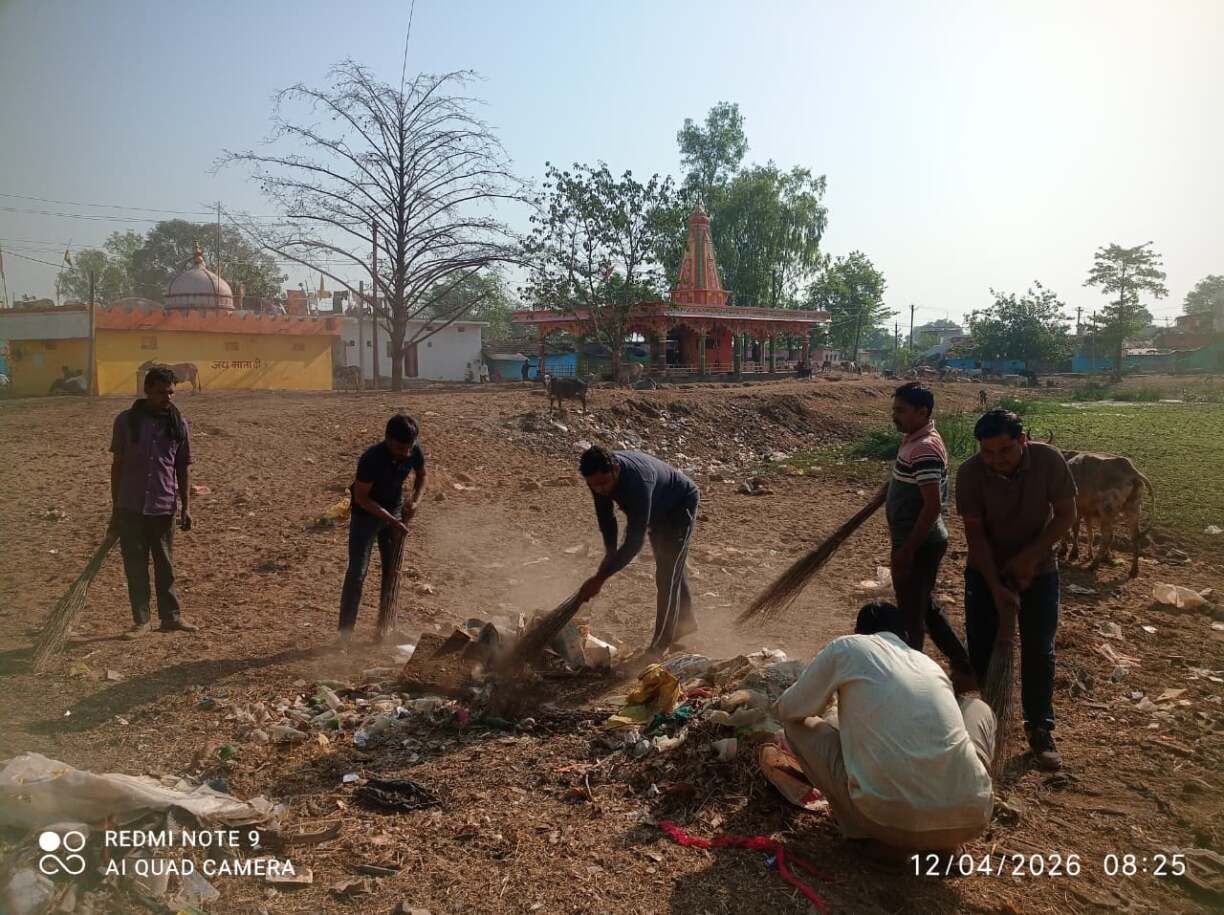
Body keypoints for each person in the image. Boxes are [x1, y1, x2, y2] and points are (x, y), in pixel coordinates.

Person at [775, 601, 995, 853]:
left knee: (796, 726)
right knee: (979, 709)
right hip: (971, 821)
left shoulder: (847, 647)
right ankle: (955, 820)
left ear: (859, 633)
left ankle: (863, 836)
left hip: (886, 823)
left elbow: (789, 709)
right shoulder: (929, 665)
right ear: (904, 637)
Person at [956, 409, 1077, 771]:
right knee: (982, 648)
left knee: (1039, 649)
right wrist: (996, 586)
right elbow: (975, 536)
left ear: (1023, 440)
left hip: (1040, 571)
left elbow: (1066, 515)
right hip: (985, 570)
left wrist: (1030, 558)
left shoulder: (1048, 461)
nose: (997, 460)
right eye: (988, 452)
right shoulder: (970, 473)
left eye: (1005, 450)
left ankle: (1039, 728)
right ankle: (987, 722)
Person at [868, 383, 974, 688]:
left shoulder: (925, 447)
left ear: (922, 412)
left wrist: (908, 549)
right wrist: (886, 491)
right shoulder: (913, 440)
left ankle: (911, 679)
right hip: (917, 541)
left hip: (921, 544)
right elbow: (907, 477)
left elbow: (932, 506)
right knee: (923, 607)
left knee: (911, 616)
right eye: (894, 410)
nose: (894, 416)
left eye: (901, 411)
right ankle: (963, 664)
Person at [577, 446, 699, 653]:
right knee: (670, 567)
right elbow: (606, 517)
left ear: (616, 469)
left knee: (667, 574)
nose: (600, 490)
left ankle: (660, 645)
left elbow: (634, 542)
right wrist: (610, 552)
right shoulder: (599, 479)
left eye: (604, 483)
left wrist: (600, 578)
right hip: (656, 506)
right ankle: (684, 623)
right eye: (594, 485)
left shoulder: (638, 482)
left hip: (679, 505)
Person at [109, 366, 197, 637]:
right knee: (135, 567)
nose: (167, 398)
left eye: (171, 393)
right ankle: (142, 621)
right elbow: (117, 466)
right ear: (147, 390)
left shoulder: (179, 424)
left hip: (163, 506)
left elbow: (182, 467)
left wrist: (186, 507)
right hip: (130, 506)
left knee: (165, 566)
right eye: (160, 392)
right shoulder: (125, 422)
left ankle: (171, 617)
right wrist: (116, 508)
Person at [337, 414, 427, 641]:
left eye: (409, 448)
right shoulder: (370, 459)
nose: (406, 453)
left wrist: (415, 501)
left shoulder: (413, 450)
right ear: (388, 439)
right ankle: (345, 636)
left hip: (394, 510)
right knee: (357, 574)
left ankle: (384, 628)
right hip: (365, 517)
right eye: (400, 449)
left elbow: (422, 476)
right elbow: (362, 498)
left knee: (392, 571)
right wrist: (393, 521)